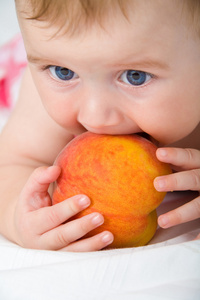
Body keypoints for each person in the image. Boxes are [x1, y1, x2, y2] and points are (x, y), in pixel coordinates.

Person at [0, 0, 199, 252]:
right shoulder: (43, 102)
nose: (95, 117)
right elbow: (9, 165)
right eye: (63, 72)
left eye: (134, 76)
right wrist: (17, 216)